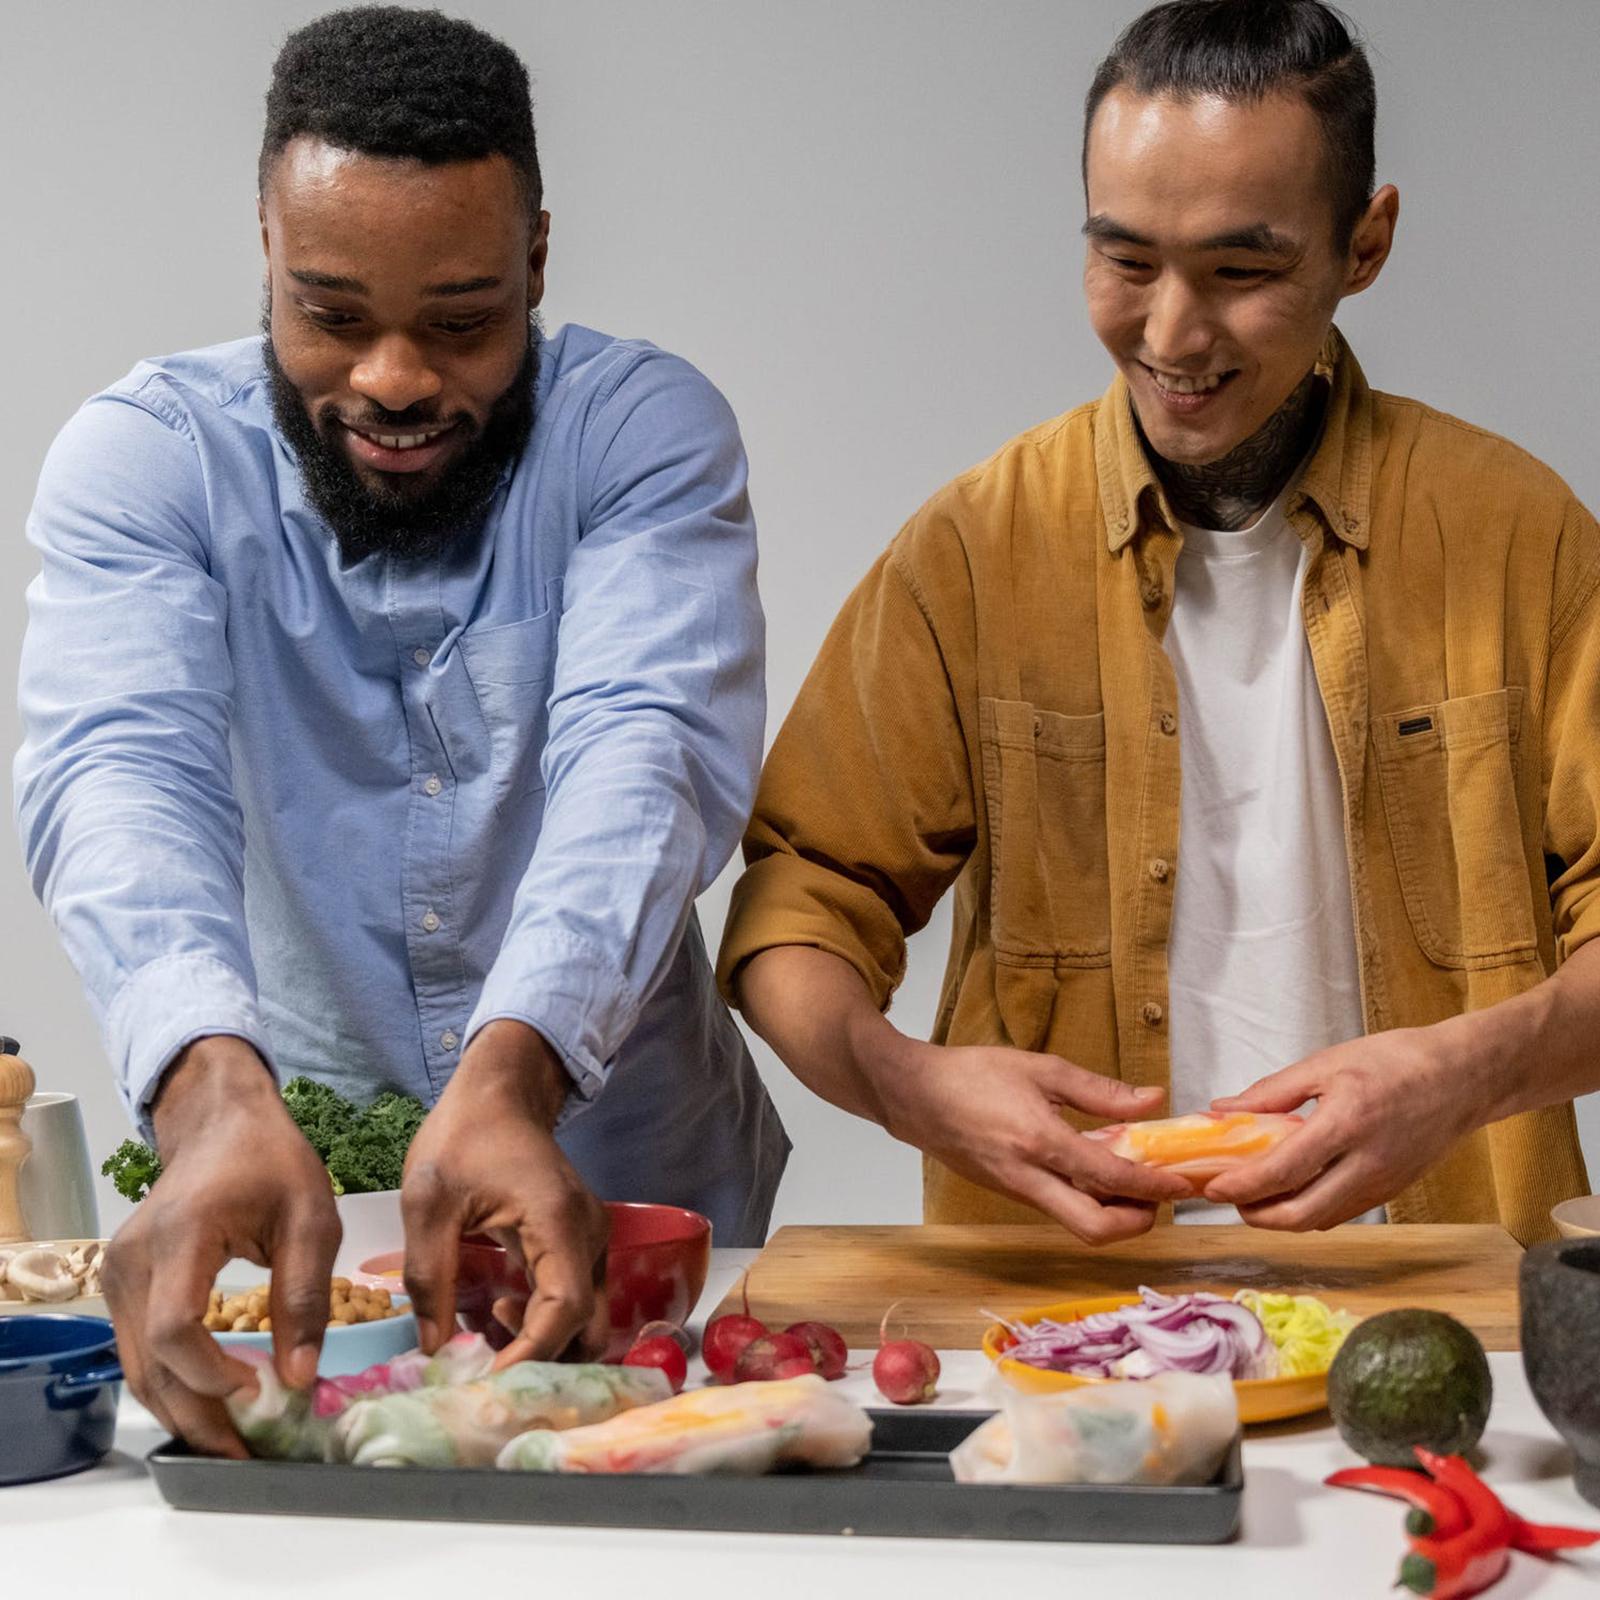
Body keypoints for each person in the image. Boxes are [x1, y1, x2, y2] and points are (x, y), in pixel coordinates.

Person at [14, 6, 786, 1456]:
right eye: (331, 313)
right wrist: (208, 1093)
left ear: (537, 260)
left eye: (459, 321)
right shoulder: (145, 460)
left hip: (629, 1207)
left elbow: (648, 750)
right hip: (299, 1221)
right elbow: (119, 769)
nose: (392, 379)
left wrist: (516, 1074)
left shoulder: (643, 435)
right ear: (262, 241)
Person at [718, 0, 1597, 1247]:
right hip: (1067, 1309)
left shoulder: (1521, 532)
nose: (1172, 334)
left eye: (1241, 271)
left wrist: (1467, 1075)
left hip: (1441, 1290)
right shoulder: (974, 549)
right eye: (1126, 262)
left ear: (1366, 242)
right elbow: (798, 898)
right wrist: (911, 1087)